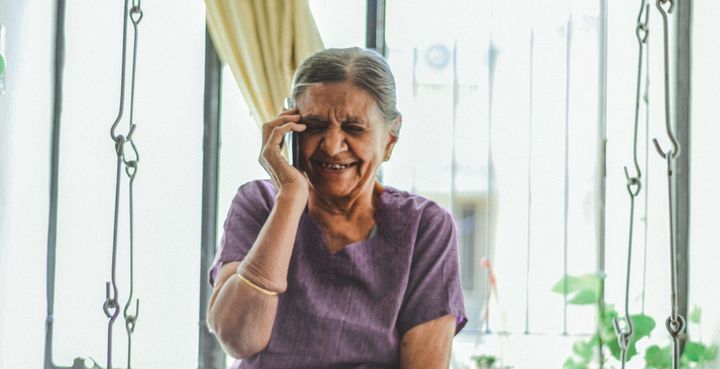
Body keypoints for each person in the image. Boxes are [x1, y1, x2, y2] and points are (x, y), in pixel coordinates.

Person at [207, 47, 467, 369]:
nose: (331, 145)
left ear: (389, 140)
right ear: (289, 128)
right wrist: (290, 197)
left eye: (354, 128)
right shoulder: (259, 204)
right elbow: (239, 338)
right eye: (314, 126)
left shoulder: (424, 227)